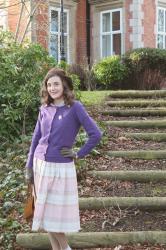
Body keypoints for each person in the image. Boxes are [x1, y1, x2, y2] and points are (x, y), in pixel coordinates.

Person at [25, 67, 102, 250]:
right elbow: (36, 138)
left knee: (53, 217)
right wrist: (29, 166)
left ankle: (66, 248)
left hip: (60, 169)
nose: (52, 88)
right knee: (45, 216)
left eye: (56, 84)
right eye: (49, 84)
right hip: (40, 166)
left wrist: (78, 153)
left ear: (64, 85)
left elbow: (96, 134)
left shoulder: (75, 108)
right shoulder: (45, 108)